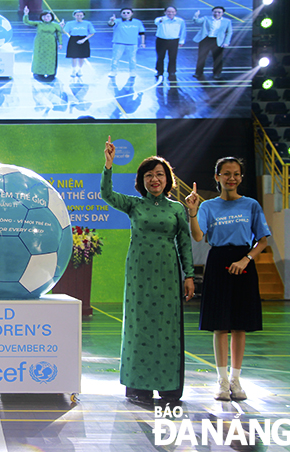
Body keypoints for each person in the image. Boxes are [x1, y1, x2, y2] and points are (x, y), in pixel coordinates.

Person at [102, 136, 194, 403]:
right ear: (142, 180)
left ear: (168, 180)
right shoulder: (134, 205)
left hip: (168, 273)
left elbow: (184, 243)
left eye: (160, 175)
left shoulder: (177, 209)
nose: (155, 179)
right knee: (139, 326)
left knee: (168, 329)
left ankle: (169, 389)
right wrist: (108, 165)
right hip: (139, 273)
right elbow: (107, 195)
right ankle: (138, 387)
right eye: (149, 175)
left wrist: (189, 275)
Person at [185, 157, 270, 401]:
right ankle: (222, 381)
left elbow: (262, 240)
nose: (231, 178)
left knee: (240, 324)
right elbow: (199, 236)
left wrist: (246, 259)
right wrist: (192, 212)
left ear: (241, 177)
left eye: (236, 174)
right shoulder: (208, 207)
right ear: (217, 177)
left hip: (243, 262)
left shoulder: (251, 205)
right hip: (218, 262)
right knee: (221, 325)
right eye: (226, 173)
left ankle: (236, 379)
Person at [22, 7, 63, 81]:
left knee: (51, 58)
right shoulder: (39, 24)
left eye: (48, 16)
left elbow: (59, 34)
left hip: (51, 44)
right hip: (40, 43)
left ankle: (51, 73)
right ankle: (38, 73)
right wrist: (26, 14)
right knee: (39, 57)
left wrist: (60, 43)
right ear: (41, 17)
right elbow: (27, 22)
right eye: (44, 16)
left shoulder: (55, 25)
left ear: (51, 17)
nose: (46, 18)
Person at [192, 6, 232, 81]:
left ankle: (217, 74)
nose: (217, 13)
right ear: (212, 12)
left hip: (218, 41)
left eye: (219, 12)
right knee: (201, 57)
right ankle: (198, 73)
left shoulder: (227, 21)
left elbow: (229, 32)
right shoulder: (206, 18)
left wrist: (226, 42)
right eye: (215, 12)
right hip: (205, 40)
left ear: (222, 13)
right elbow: (197, 21)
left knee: (218, 58)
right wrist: (196, 16)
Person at [107, 8, 146, 78]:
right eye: (124, 13)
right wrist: (111, 20)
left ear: (132, 14)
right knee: (115, 58)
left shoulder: (138, 22)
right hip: (119, 43)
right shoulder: (117, 21)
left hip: (132, 43)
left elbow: (142, 33)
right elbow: (111, 24)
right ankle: (113, 71)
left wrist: (142, 43)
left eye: (128, 13)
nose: (126, 14)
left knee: (132, 59)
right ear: (121, 14)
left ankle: (132, 71)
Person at [154, 6, 186, 81]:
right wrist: (162, 20)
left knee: (172, 57)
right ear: (165, 12)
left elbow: (183, 31)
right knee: (160, 57)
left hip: (174, 41)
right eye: (168, 11)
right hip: (161, 41)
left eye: (172, 12)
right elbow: (157, 22)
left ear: (175, 12)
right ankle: (159, 71)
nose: (170, 13)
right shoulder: (160, 19)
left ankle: (172, 71)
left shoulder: (180, 21)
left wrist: (181, 41)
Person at [61, 10, 95, 77]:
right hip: (73, 39)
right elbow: (65, 32)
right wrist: (62, 27)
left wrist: (84, 40)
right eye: (77, 15)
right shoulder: (70, 23)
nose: (79, 17)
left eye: (80, 15)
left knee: (82, 56)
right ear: (74, 16)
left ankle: (80, 69)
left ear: (83, 16)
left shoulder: (88, 23)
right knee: (73, 56)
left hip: (83, 39)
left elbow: (92, 32)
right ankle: (73, 70)